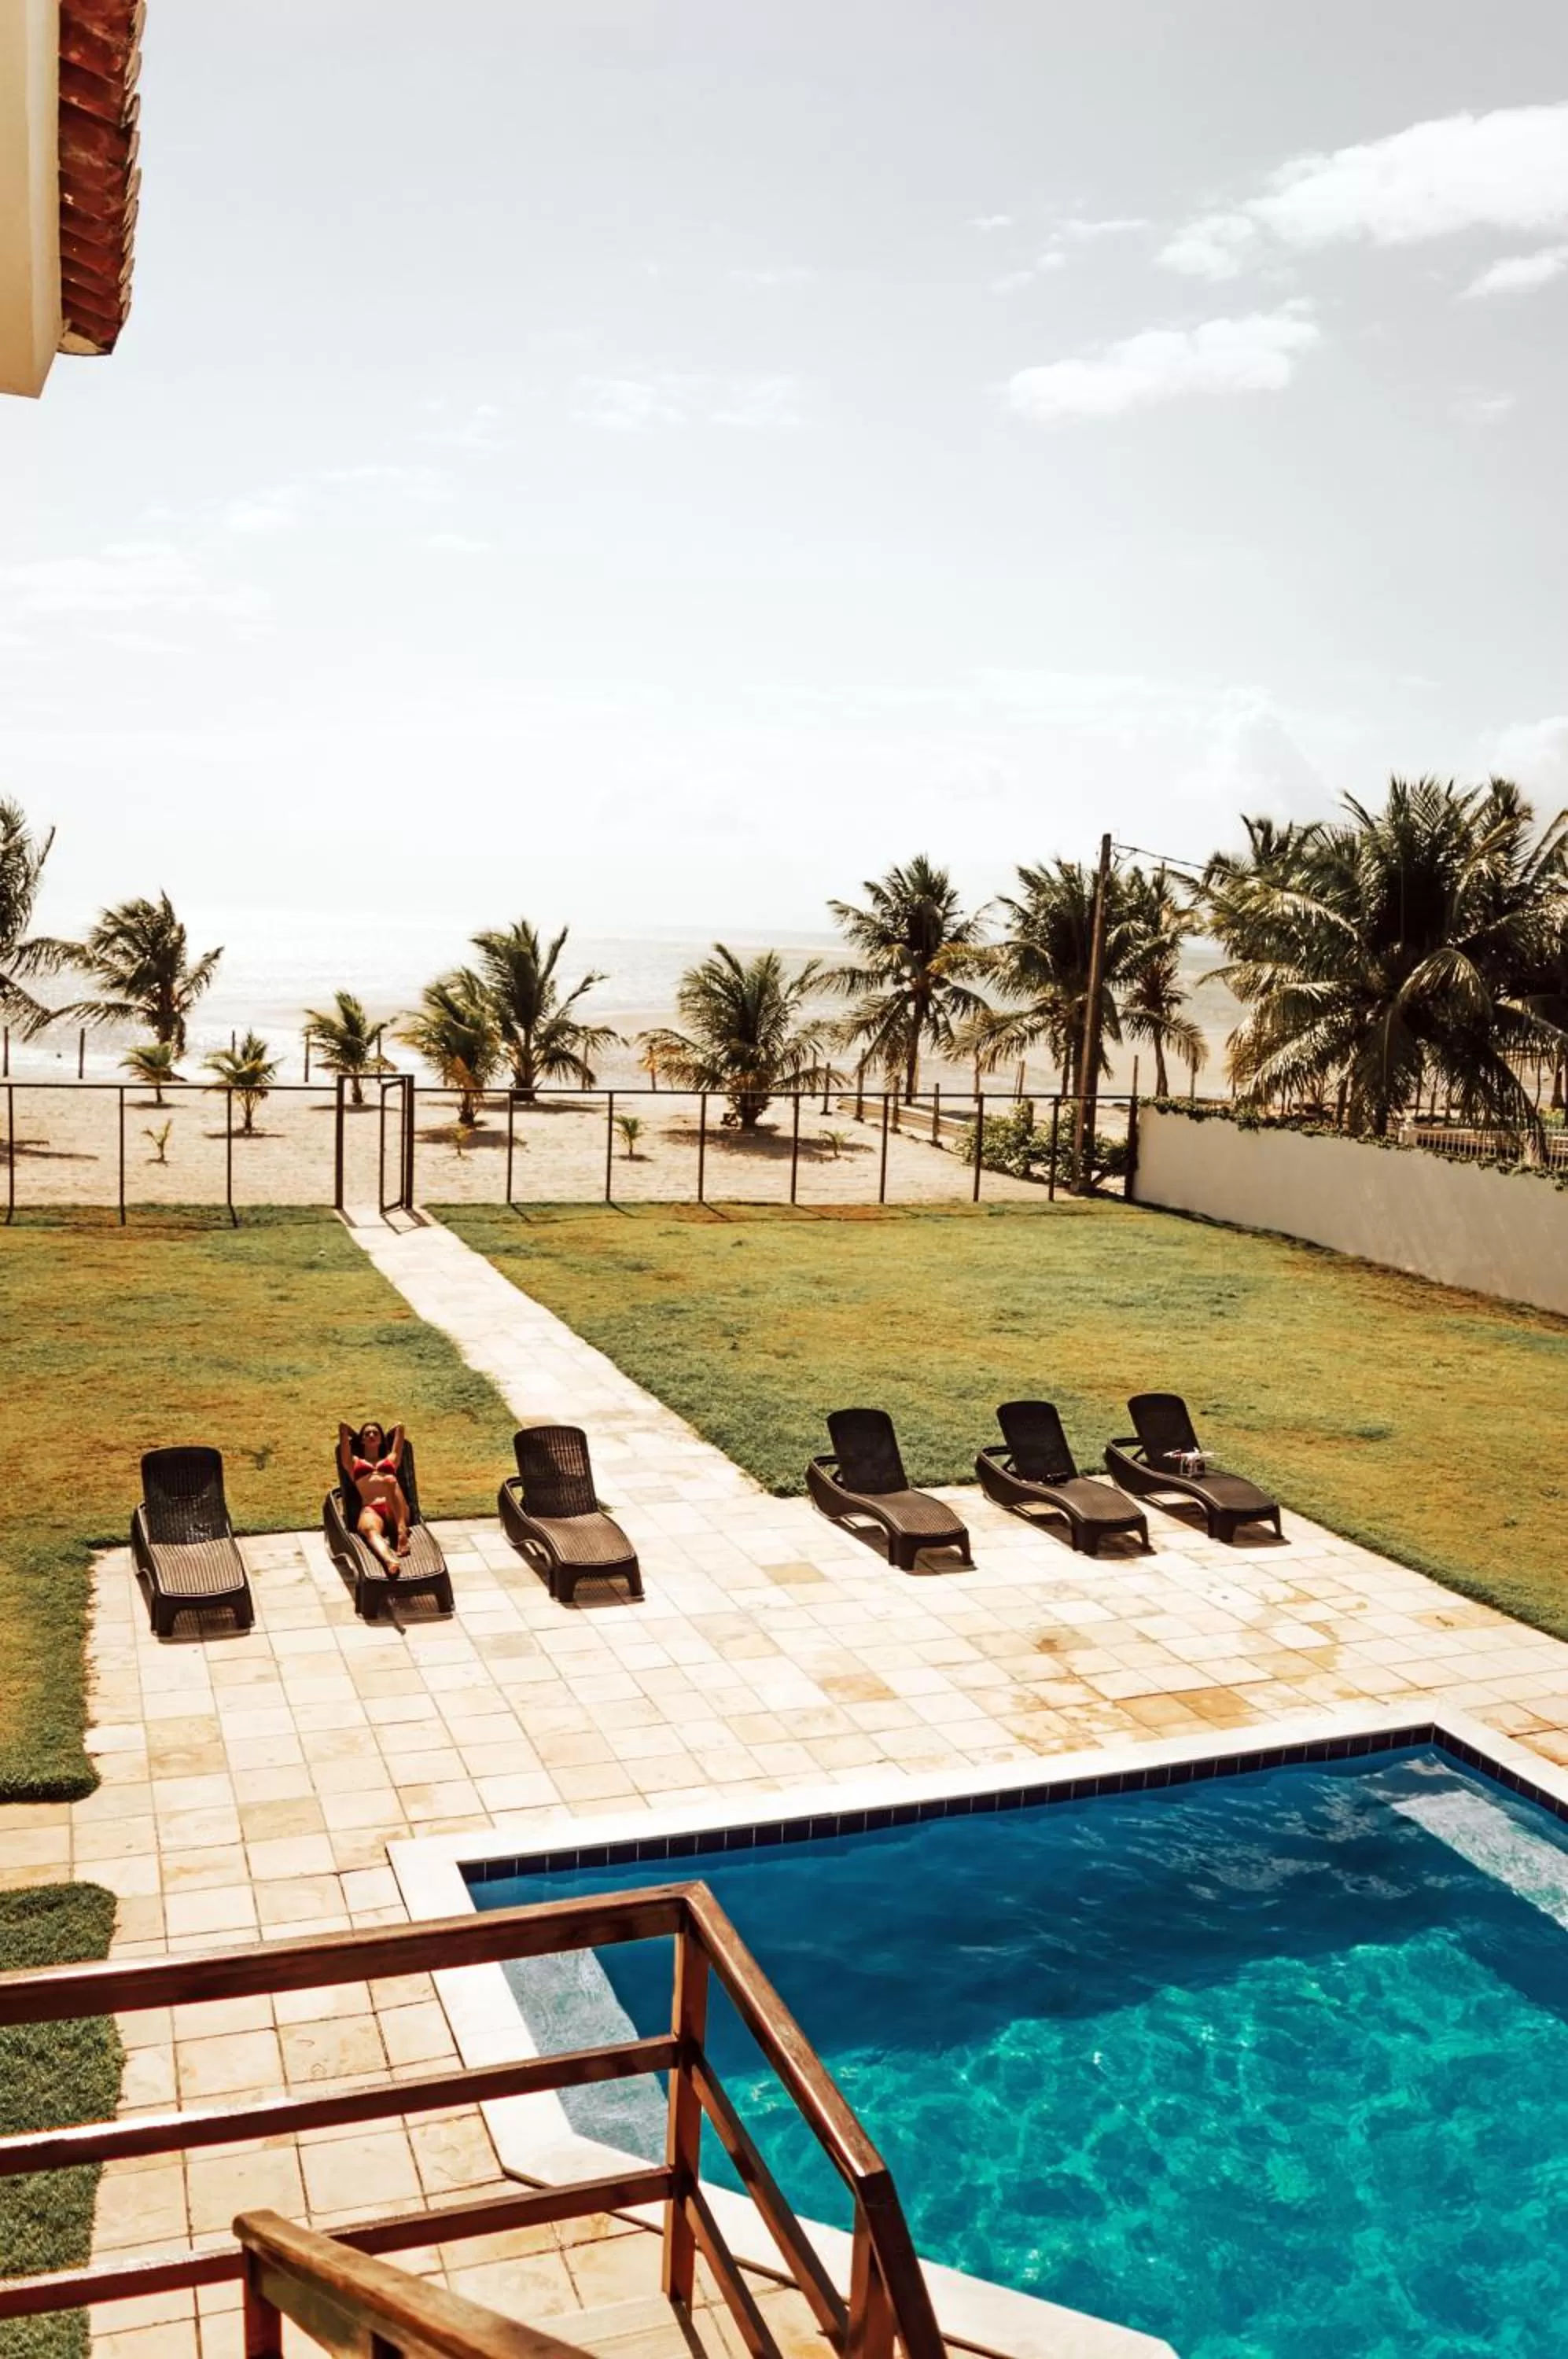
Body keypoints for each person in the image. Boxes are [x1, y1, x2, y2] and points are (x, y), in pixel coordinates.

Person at [337, 1420, 411, 1573]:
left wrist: (388, 1434)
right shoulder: (353, 1463)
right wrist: (355, 1435)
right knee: (369, 1529)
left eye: (375, 1433)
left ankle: (401, 1531)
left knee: (390, 1481)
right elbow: (343, 1427)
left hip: (395, 1508)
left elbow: (400, 1427)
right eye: (367, 1434)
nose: (371, 1435)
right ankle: (389, 1560)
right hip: (371, 1509)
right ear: (362, 1440)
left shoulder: (391, 1459)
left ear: (381, 1439)